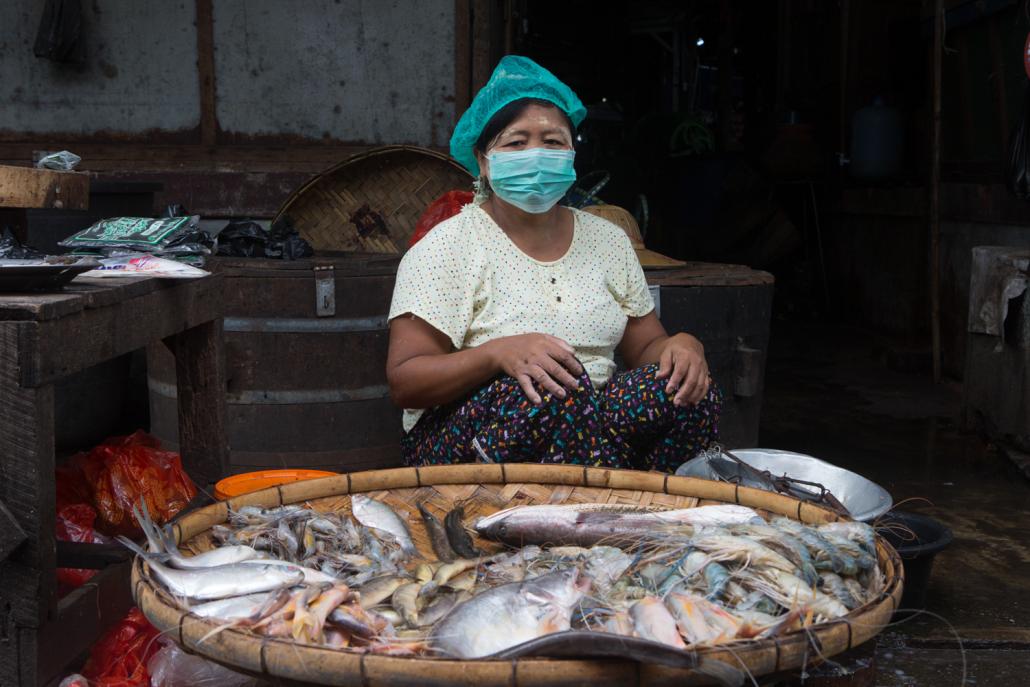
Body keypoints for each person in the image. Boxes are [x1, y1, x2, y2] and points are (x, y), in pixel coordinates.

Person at [386, 56, 721, 472]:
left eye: (553, 141)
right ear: (485, 161)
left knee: (687, 389)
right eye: (516, 142)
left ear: (572, 153)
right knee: (553, 388)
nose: (536, 155)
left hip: (588, 423)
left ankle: (648, 504)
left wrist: (681, 346)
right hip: (472, 432)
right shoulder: (449, 246)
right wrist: (497, 354)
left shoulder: (608, 241)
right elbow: (406, 380)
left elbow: (645, 348)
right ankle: (599, 496)